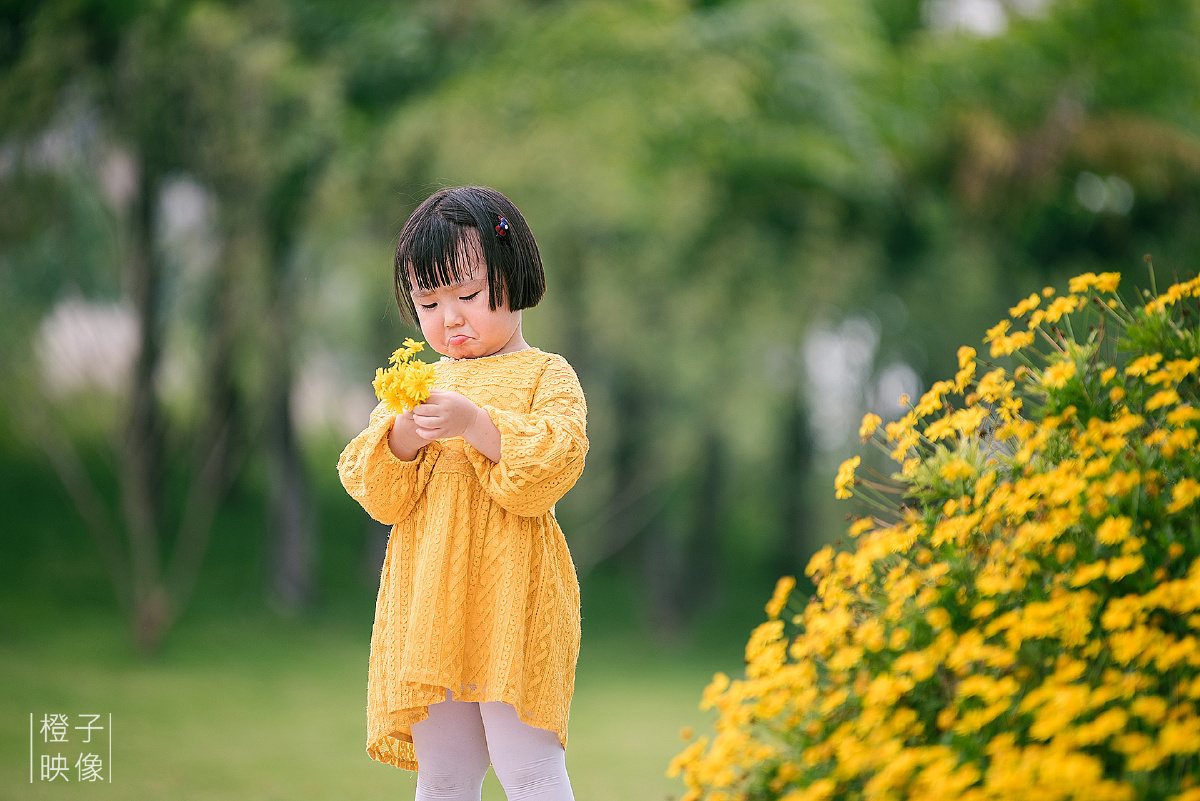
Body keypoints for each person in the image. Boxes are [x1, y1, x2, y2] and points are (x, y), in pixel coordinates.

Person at [337, 186, 587, 801]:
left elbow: (556, 460)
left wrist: (476, 424)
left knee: (528, 769)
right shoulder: (417, 386)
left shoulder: (545, 374)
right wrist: (399, 435)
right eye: (429, 301)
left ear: (515, 274)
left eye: (468, 295)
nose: (449, 317)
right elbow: (376, 492)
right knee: (443, 778)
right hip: (431, 608)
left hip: (513, 604)